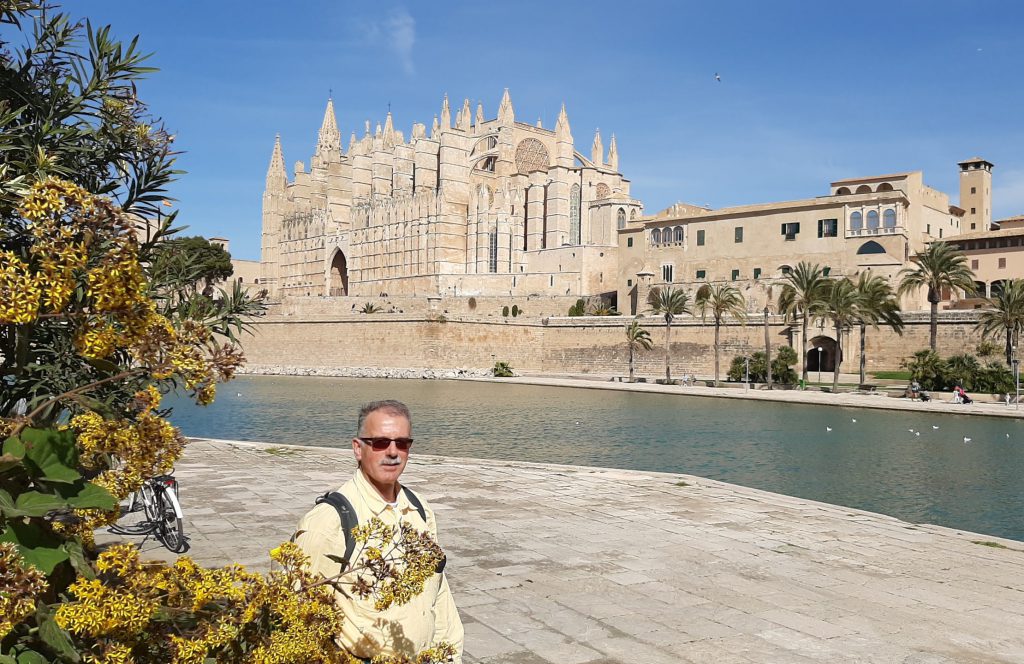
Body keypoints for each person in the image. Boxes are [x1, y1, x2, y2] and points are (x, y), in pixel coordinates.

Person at [294, 400, 464, 662]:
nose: (393, 452)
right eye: (380, 443)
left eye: (402, 443)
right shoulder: (329, 521)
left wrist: (449, 654)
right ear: (358, 448)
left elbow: (438, 595)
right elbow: (300, 615)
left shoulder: (419, 509)